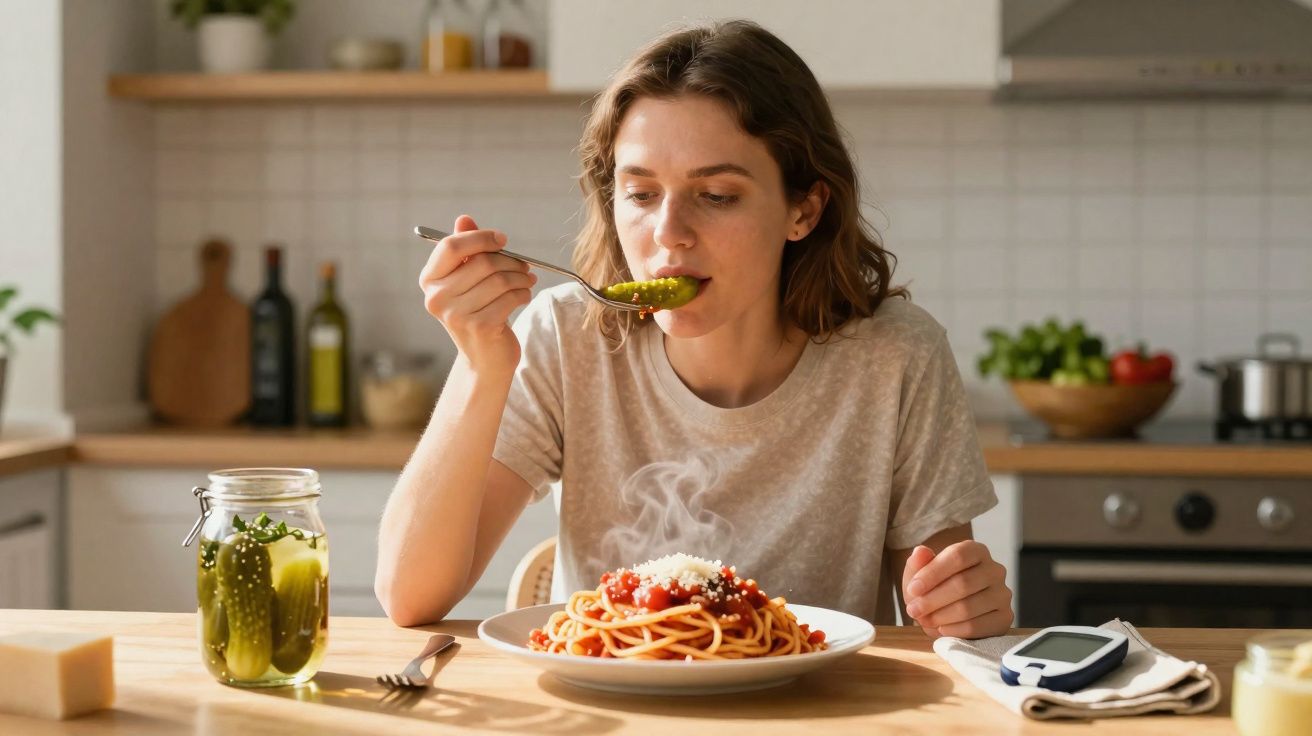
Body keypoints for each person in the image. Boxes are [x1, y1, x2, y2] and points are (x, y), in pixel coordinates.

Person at [375, 19, 1013, 639]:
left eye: (717, 196)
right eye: (642, 194)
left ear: (804, 209)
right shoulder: (568, 336)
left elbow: (945, 625)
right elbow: (408, 596)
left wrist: (963, 608)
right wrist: (482, 363)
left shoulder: (897, 355)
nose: (668, 234)